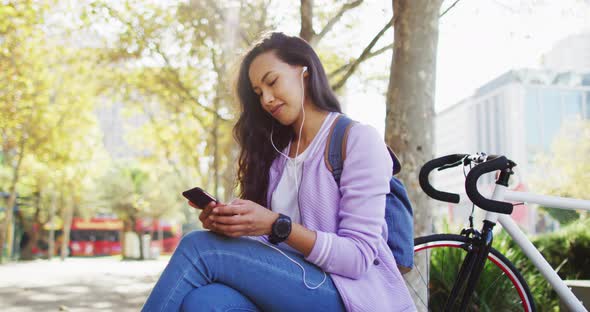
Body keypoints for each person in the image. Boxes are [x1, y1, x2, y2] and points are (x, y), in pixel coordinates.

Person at [141, 32, 415, 312]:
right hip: (293, 287)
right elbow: (272, 247)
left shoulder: (357, 140)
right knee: (205, 302)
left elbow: (357, 258)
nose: (267, 99)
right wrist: (234, 226)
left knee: (199, 248)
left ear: (304, 71)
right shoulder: (277, 155)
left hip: (349, 296)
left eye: (272, 82)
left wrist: (276, 225)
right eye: (259, 93)